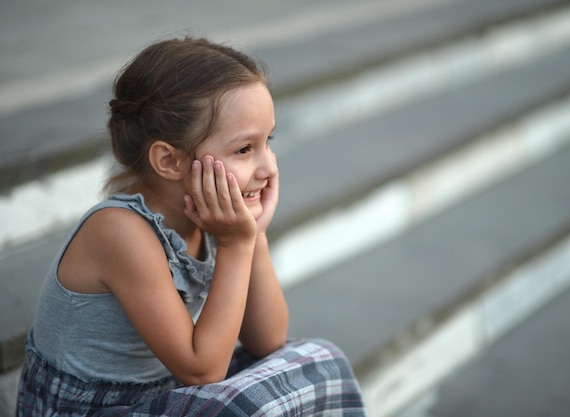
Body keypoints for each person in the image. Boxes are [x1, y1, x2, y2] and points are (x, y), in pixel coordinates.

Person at [16, 37, 368, 417]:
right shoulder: (120, 231)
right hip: (91, 410)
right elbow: (202, 370)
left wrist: (254, 237)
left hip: (160, 394)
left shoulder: (213, 220)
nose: (267, 168)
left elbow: (268, 340)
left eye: (268, 141)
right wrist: (235, 245)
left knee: (320, 360)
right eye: (244, 149)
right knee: (240, 406)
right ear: (170, 161)